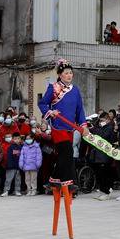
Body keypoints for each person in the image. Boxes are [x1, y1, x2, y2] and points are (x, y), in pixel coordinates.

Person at [38, 59, 86, 191]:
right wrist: (49, 112)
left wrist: (83, 125)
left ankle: (53, 179)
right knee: (67, 151)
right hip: (58, 125)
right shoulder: (53, 88)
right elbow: (42, 103)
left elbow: (79, 109)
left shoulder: (75, 90)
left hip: (70, 127)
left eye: (71, 73)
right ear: (60, 75)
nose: (69, 75)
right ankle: (67, 182)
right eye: (66, 73)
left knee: (65, 155)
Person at [90, 112, 117, 201]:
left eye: (102, 120)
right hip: (98, 154)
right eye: (100, 120)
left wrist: (94, 129)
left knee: (105, 174)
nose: (100, 122)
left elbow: (103, 136)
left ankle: (106, 192)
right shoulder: (100, 127)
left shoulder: (110, 127)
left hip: (105, 154)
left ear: (107, 120)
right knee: (99, 174)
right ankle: (102, 191)